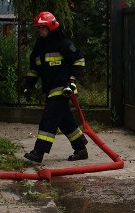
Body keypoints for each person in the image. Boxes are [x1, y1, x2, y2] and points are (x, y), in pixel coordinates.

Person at [21, 11, 88, 163]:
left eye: (42, 28)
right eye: (38, 28)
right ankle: (81, 148)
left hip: (63, 89)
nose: (39, 31)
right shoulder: (39, 47)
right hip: (49, 89)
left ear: (51, 27)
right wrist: (28, 84)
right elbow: (34, 69)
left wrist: (72, 81)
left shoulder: (63, 44)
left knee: (49, 118)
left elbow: (79, 60)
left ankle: (39, 152)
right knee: (64, 121)